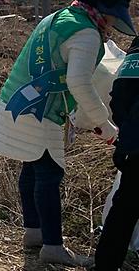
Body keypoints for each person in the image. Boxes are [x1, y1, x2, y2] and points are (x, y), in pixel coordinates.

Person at [0, 0, 136, 267]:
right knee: (49, 172)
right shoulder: (86, 33)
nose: (114, 23)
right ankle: (53, 246)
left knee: (31, 165)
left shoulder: (58, 17)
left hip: (14, 101)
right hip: (40, 109)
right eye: (115, 15)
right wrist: (105, 124)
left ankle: (34, 233)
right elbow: (79, 83)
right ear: (104, 11)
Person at [95, 35, 139, 271]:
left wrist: (129, 132)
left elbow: (119, 96)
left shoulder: (137, 50)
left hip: (134, 146)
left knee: (124, 210)